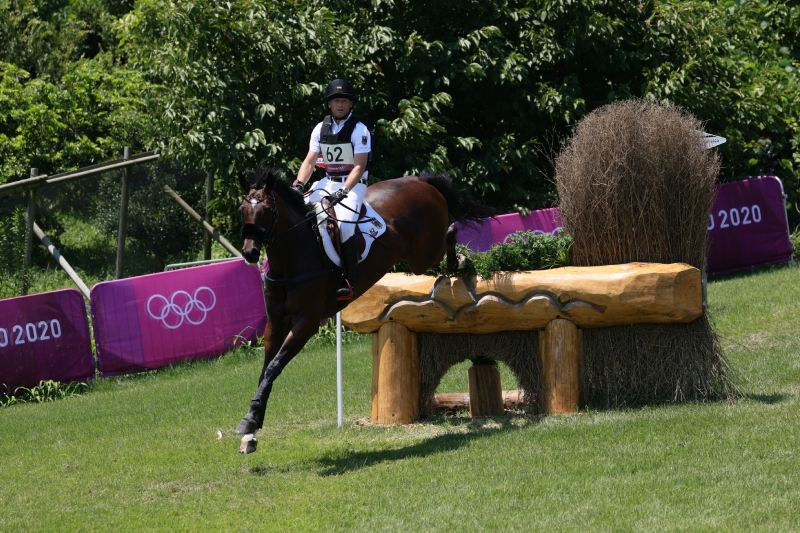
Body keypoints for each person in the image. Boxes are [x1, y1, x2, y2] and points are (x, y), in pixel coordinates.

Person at [293, 78, 372, 300]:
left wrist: (344, 191)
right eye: (336, 101)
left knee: (345, 226)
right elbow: (309, 161)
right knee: (299, 214)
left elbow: (360, 166)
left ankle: (348, 280)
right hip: (327, 181)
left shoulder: (359, 129)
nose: (340, 105)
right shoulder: (321, 128)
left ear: (351, 104)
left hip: (353, 185)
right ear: (329, 104)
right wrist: (299, 184)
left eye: (344, 101)